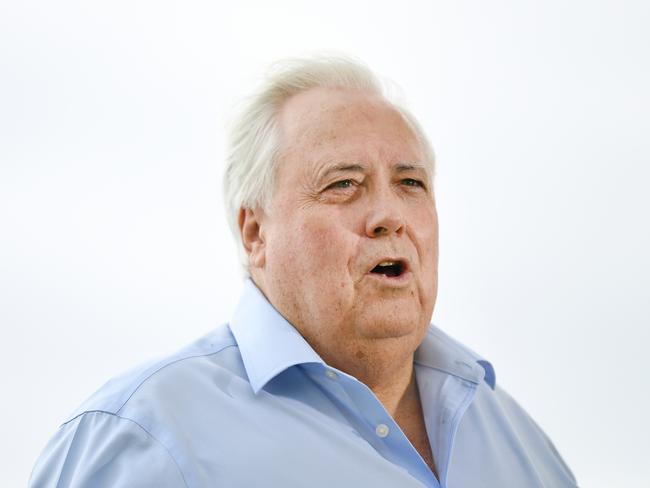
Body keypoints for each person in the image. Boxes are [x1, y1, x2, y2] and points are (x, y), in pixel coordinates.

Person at [30, 56, 577, 487]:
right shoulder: (142, 436)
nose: (390, 216)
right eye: (343, 184)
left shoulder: (520, 444)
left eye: (411, 184)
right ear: (255, 233)